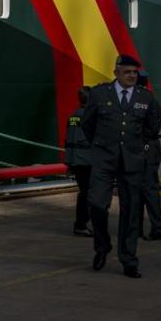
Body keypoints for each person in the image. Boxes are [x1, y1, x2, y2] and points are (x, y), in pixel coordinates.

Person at [79, 55, 159, 279]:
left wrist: (137, 148)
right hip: (104, 158)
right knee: (96, 203)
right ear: (116, 73)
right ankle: (102, 246)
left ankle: (129, 259)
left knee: (131, 211)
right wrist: (100, 144)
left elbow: (152, 127)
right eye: (127, 72)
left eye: (135, 72)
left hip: (132, 161)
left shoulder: (146, 97)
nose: (132, 76)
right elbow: (88, 124)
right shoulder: (99, 94)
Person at [138, 71, 161, 240]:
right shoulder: (151, 100)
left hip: (146, 151)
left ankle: (157, 228)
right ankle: (144, 227)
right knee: (146, 191)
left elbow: (152, 129)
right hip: (147, 151)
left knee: (148, 191)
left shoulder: (145, 100)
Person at [64, 86, 94, 237]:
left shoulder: (73, 116)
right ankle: (81, 224)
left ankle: (81, 223)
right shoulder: (90, 117)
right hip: (86, 161)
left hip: (74, 160)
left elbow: (69, 138)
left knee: (85, 192)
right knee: (88, 193)